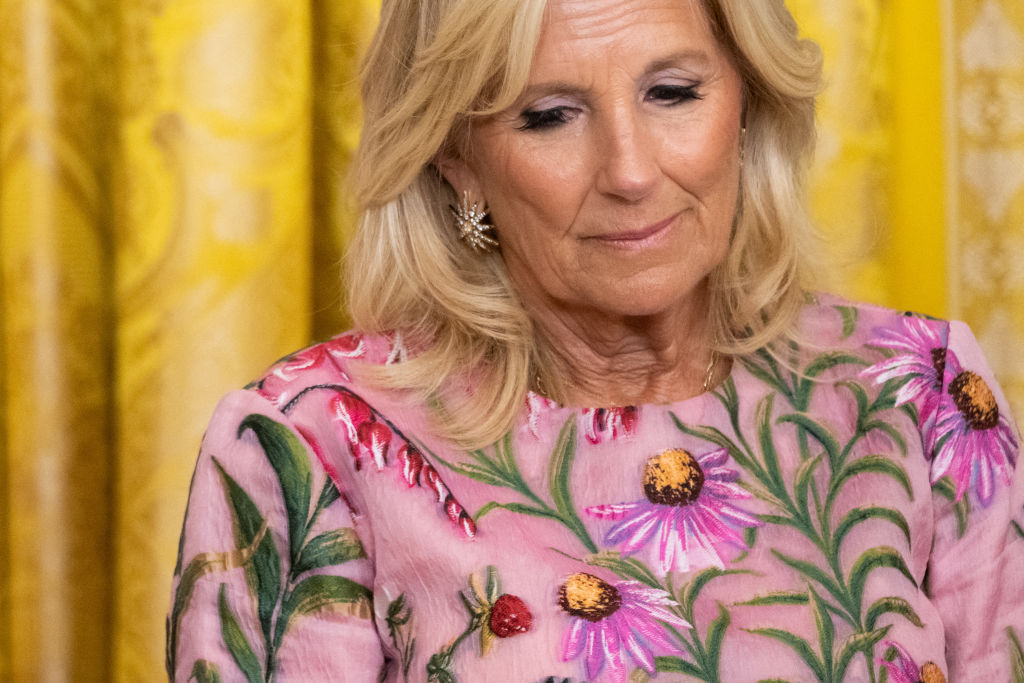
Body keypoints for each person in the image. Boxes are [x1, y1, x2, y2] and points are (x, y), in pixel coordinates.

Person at [167, 0, 1024, 680]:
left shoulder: (921, 394)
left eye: (672, 93)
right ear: (456, 157)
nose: (630, 171)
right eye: (549, 115)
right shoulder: (312, 446)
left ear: (747, 103)